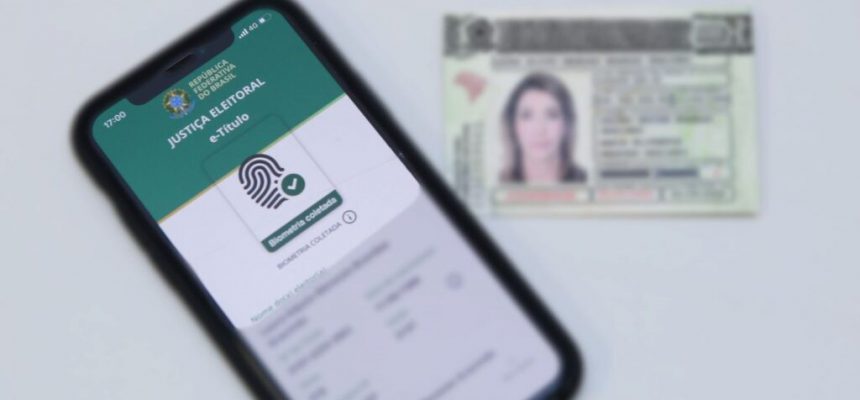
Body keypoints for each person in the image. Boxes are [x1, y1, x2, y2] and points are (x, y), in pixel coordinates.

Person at [501, 73, 587, 184]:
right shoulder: (499, 182)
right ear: (512, 125)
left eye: (552, 115)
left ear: (566, 124)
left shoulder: (586, 181)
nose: (539, 130)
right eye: (527, 116)